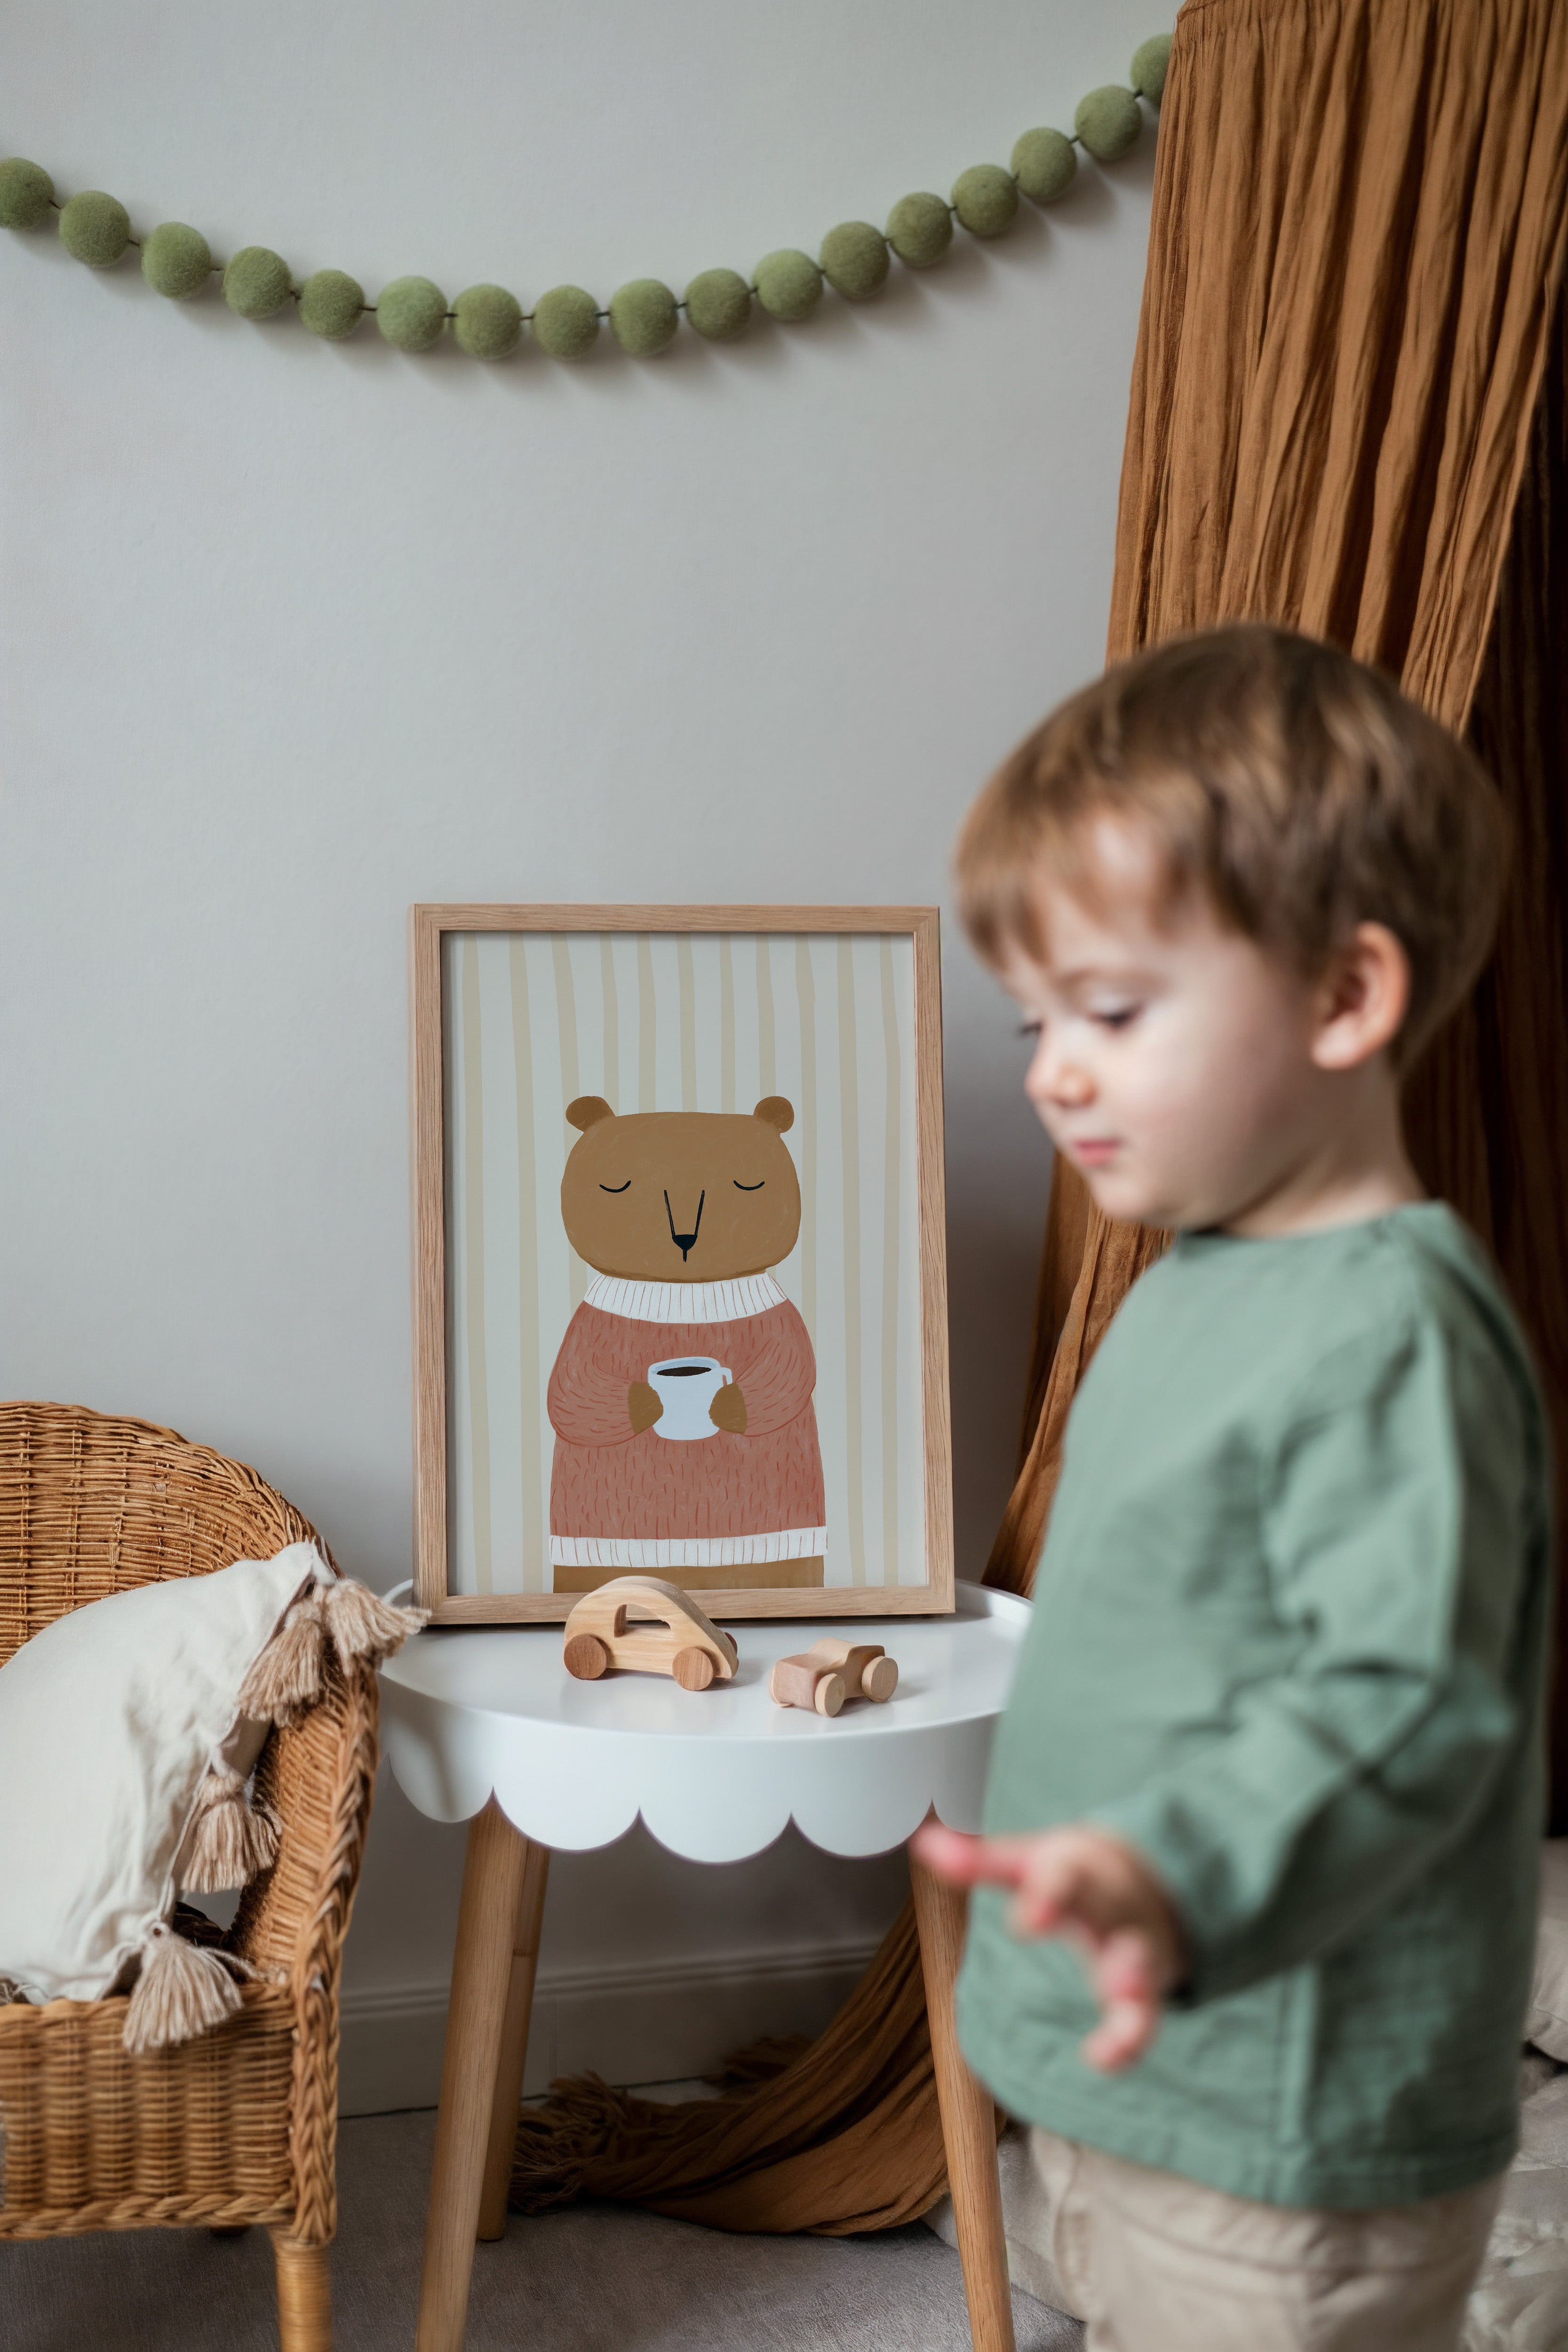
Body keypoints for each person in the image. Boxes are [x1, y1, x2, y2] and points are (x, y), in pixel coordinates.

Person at [912, 624, 1550, 2352]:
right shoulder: (1194, 1277)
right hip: (1144, 2080)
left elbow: (1406, 1702)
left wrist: (1171, 1870)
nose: (1054, 1068)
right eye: (1040, 1017)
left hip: (1293, 2129)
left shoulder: (1394, 1331)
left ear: (1347, 997)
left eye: (1111, 1012)